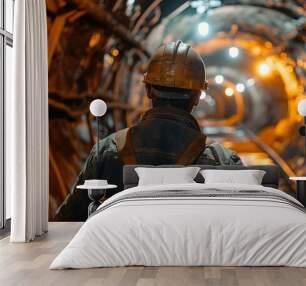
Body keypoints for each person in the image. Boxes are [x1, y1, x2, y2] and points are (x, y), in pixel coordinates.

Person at [55, 41, 242, 221]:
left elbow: (67, 220)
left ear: (148, 91)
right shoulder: (222, 160)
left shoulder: (106, 151)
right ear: (196, 97)